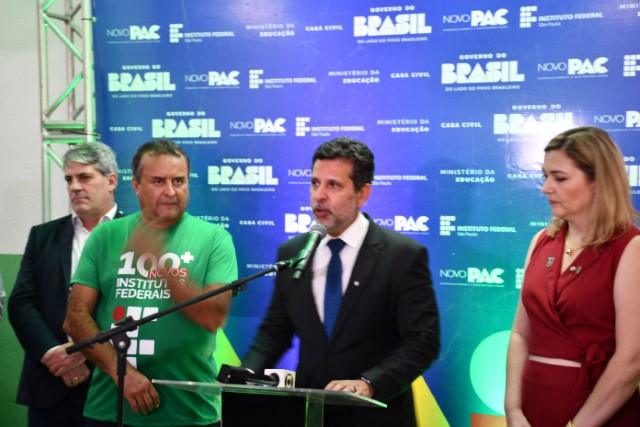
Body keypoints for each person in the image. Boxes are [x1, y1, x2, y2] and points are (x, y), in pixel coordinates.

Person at [242, 137, 440, 426]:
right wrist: (245, 375)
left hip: (377, 418)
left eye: (333, 185)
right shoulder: (293, 253)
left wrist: (369, 383)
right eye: (315, 183)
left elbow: (423, 341)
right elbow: (274, 332)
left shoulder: (402, 256)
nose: (319, 196)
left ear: (362, 193)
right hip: (312, 415)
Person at [63, 139, 238, 427]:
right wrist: (122, 374)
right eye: (158, 181)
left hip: (190, 412)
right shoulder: (105, 236)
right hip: (110, 409)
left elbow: (212, 316)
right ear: (136, 185)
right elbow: (75, 319)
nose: (170, 191)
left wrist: (161, 265)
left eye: (178, 181)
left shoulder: (215, 238)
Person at [505, 126, 640, 426]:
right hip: (534, 407)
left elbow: (631, 360)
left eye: (560, 178)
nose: (546, 188)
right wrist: (513, 410)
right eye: (545, 176)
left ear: (599, 181)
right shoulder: (540, 241)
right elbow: (520, 334)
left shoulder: (630, 247)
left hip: (599, 411)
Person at [8, 142, 120, 427]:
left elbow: (142, 308)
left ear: (111, 181)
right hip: (51, 384)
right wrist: (52, 355)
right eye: (69, 179)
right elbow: (21, 303)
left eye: (85, 177)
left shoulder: (138, 235)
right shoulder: (43, 236)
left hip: (114, 385)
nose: (75, 187)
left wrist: (82, 351)